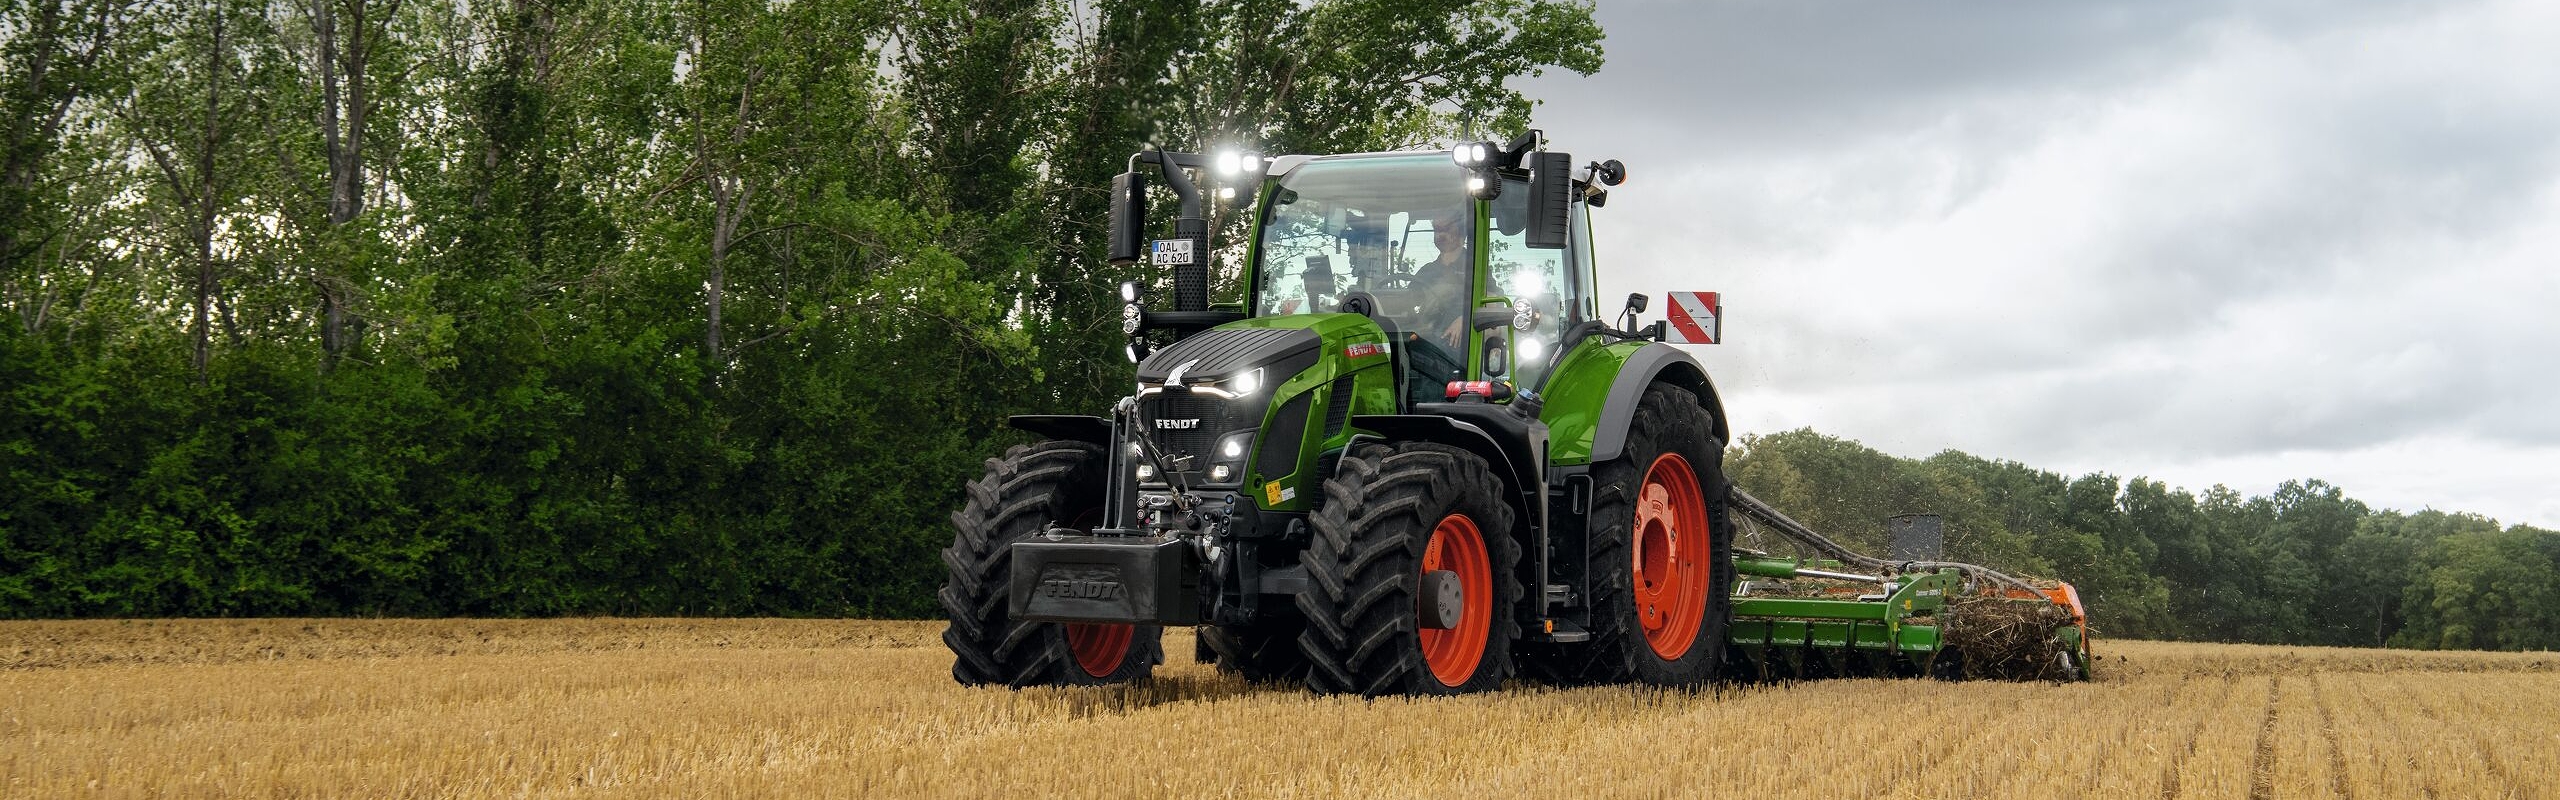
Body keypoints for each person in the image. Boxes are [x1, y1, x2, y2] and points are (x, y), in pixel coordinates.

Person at [1399, 208, 1472, 406]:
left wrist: (1466, 319)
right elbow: (1407, 300)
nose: (1440, 235)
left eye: (1445, 229)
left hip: (1459, 352)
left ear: (1461, 232)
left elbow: (1491, 299)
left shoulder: (1474, 265)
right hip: (1426, 343)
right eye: (1436, 229)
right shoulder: (1427, 271)